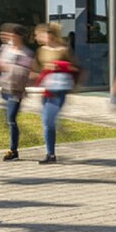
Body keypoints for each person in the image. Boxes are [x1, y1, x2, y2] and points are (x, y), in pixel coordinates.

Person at [0, 24, 35, 161]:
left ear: (20, 36)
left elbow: (29, 72)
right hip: (5, 88)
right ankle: (13, 146)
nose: (10, 37)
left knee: (11, 119)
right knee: (8, 118)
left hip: (16, 91)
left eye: (13, 35)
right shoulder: (5, 49)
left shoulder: (26, 53)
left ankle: (13, 150)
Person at [34, 22, 80, 164]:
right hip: (47, 89)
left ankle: (51, 153)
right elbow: (37, 69)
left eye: (41, 34)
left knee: (48, 121)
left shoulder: (64, 50)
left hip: (60, 89)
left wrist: (58, 66)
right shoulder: (41, 50)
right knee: (47, 122)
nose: (38, 37)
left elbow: (75, 68)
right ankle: (51, 153)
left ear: (50, 35)